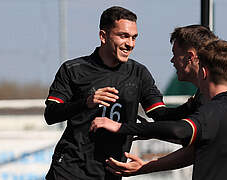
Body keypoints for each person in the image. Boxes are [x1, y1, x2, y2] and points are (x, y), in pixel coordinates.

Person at [90, 39, 227, 179]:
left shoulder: (214, 111)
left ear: (203, 72)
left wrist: (121, 127)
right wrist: (145, 167)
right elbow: (197, 151)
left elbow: (178, 130)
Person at [44, 6, 167, 180]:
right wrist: (86, 103)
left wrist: (193, 106)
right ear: (103, 36)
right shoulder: (73, 69)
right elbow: (51, 114)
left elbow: (161, 115)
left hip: (110, 173)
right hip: (69, 170)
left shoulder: (139, 73)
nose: (130, 44)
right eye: (123, 36)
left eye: (134, 37)